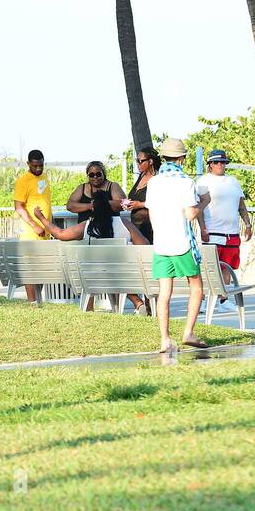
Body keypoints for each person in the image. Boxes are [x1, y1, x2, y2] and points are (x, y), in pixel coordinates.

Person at [146, 138, 207, 353]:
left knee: (164, 293)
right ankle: (188, 332)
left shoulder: (153, 182)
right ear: (181, 158)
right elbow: (190, 214)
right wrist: (204, 202)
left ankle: (165, 339)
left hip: (161, 243)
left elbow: (151, 213)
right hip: (182, 242)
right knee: (196, 287)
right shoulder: (186, 182)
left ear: (164, 158)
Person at [196, 149, 252, 313]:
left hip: (232, 232)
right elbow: (198, 208)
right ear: (210, 165)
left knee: (227, 267)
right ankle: (205, 301)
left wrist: (247, 224)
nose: (220, 165)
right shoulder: (203, 181)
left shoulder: (233, 181)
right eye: (216, 162)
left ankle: (223, 300)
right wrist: (202, 228)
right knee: (210, 268)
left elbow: (241, 205)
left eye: (223, 162)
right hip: (212, 231)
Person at [119, 146, 162, 314]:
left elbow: (158, 202)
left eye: (140, 161)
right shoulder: (141, 177)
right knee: (136, 267)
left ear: (150, 161)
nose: (137, 164)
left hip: (149, 227)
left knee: (149, 268)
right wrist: (129, 203)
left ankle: (151, 305)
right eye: (136, 161)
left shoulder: (156, 180)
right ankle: (143, 305)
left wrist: (140, 204)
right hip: (135, 226)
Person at [13, 149, 53, 304]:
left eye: (40, 165)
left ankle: (38, 300)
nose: (38, 169)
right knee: (30, 267)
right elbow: (19, 207)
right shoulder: (23, 180)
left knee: (42, 268)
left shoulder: (44, 177)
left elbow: (46, 203)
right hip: (31, 232)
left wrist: (50, 224)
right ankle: (32, 302)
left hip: (46, 231)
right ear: (28, 163)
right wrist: (35, 225)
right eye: (34, 166)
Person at [66, 161, 127, 238]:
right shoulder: (81, 188)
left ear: (103, 174)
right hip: (85, 230)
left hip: (110, 230)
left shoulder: (113, 186)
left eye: (98, 174)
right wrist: (90, 206)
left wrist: (102, 204)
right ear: (88, 176)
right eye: (91, 175)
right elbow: (70, 206)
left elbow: (125, 204)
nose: (95, 177)